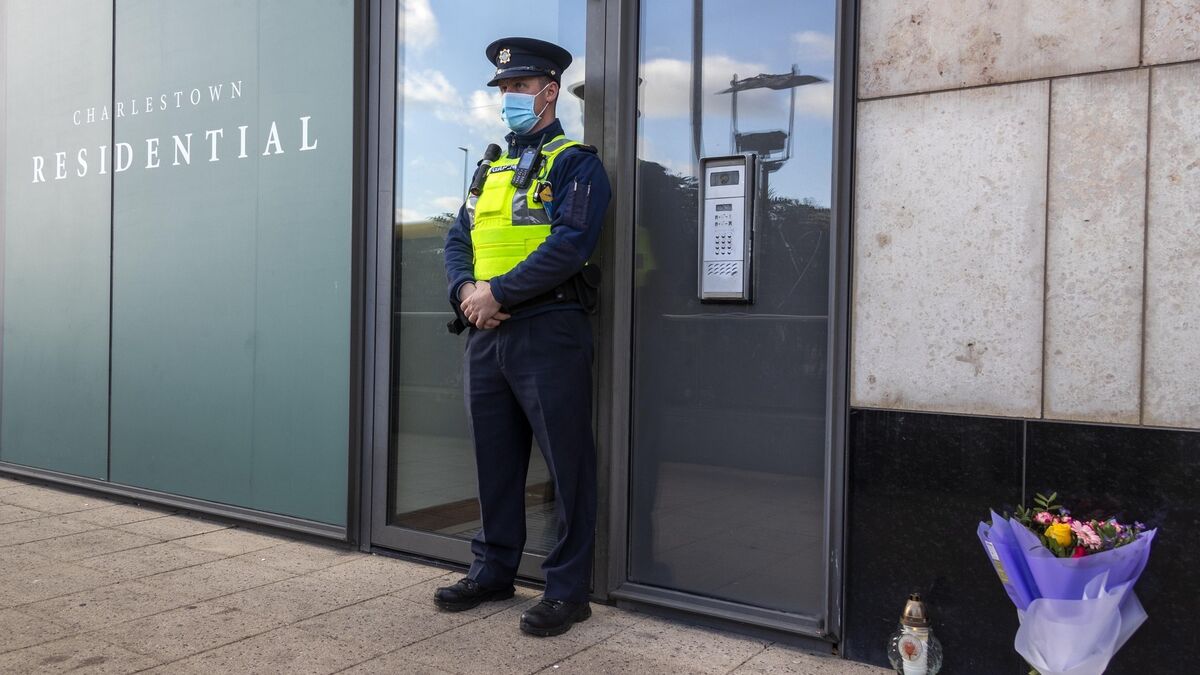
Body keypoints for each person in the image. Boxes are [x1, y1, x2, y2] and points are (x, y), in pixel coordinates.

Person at [434, 36, 611, 638]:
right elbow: (458, 239)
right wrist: (466, 292)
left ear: (549, 91)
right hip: (486, 332)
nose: (509, 95)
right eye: (504, 87)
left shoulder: (575, 163)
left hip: (548, 330)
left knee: (568, 465)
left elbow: (570, 245)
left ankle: (567, 591)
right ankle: (493, 571)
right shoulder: (489, 168)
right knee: (495, 462)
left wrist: (498, 293)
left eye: (520, 86)